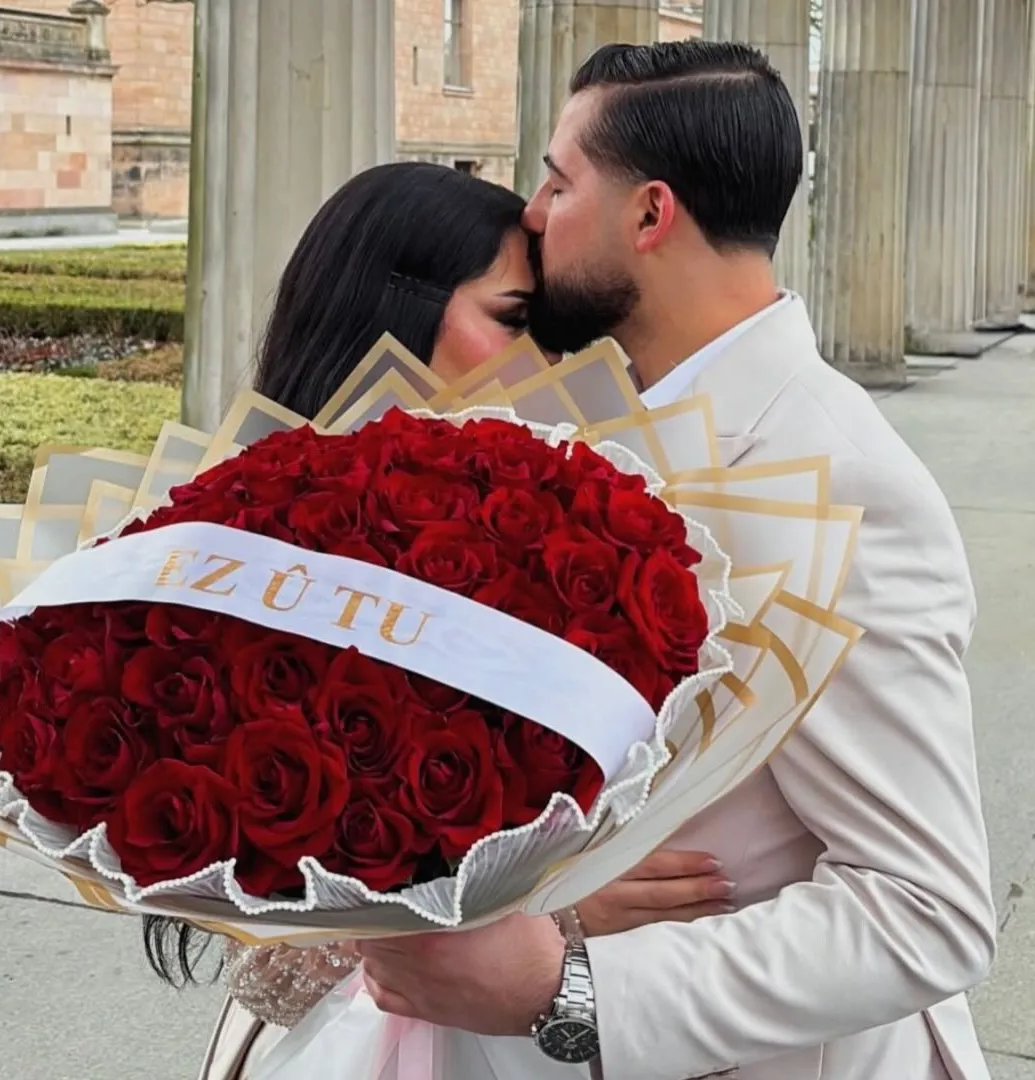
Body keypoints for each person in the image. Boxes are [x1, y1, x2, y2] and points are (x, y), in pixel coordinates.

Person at [355, 41, 997, 1080]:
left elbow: (929, 908)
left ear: (650, 214)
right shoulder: (583, 418)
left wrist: (569, 990)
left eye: (559, 183)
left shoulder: (841, 478)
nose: (532, 214)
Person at [138, 161, 735, 1080]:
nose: (549, 365)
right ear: (390, 311)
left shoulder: (576, 534)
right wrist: (535, 920)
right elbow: (262, 967)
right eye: (513, 319)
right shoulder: (251, 552)